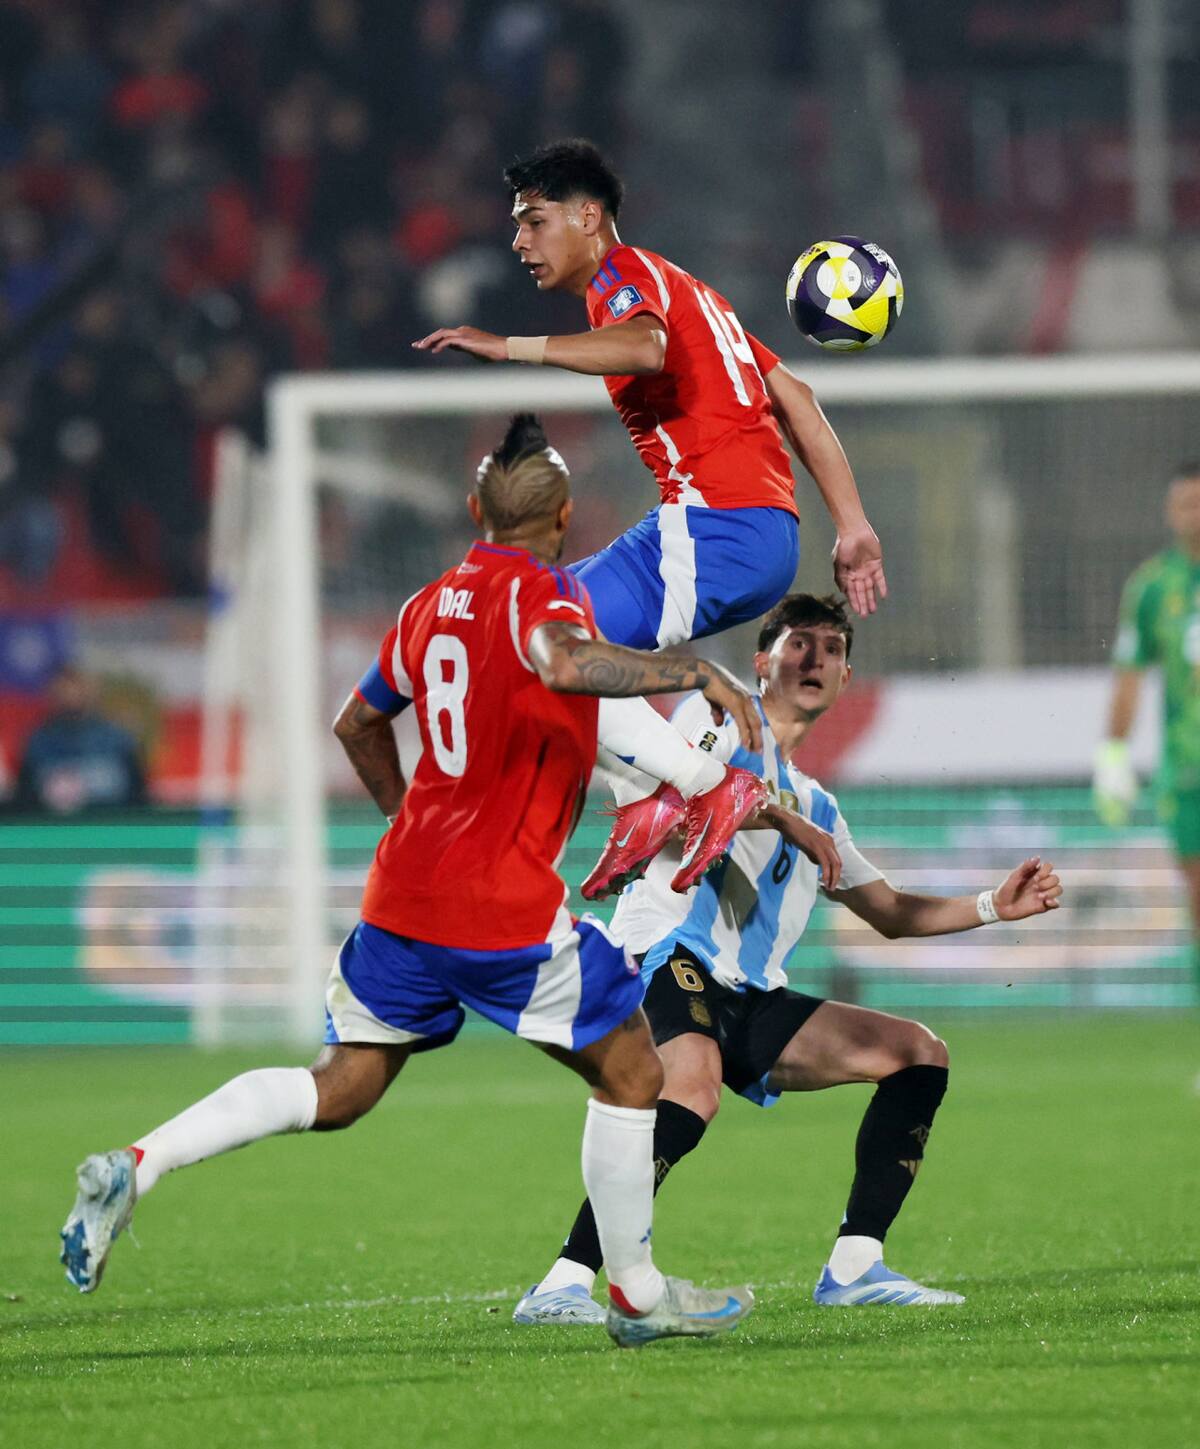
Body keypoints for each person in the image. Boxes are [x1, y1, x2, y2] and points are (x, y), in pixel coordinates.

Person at [59, 415, 762, 1349]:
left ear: (475, 511)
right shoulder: (547, 595)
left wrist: (411, 824)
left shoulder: (429, 603)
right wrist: (694, 668)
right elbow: (561, 659)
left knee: (341, 1085)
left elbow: (356, 722)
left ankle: (135, 1164)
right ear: (564, 520)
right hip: (499, 906)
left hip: (400, 899)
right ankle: (635, 1295)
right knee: (636, 1067)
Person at [512, 594, 1064, 1324]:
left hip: (751, 992)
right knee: (691, 1086)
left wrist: (994, 904)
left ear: (845, 679)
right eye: (799, 642)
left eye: (832, 649)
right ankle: (563, 1279)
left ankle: (856, 1263)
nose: (816, 657)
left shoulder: (822, 806)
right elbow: (687, 796)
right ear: (761, 661)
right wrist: (784, 819)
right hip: (669, 950)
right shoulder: (712, 721)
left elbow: (891, 911)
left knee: (917, 1054)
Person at [413, 138, 887, 900]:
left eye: (533, 221)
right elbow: (794, 396)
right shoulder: (693, 290)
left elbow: (644, 346)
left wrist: (509, 350)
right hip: (756, 531)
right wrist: (853, 525)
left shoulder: (623, 279)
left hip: (717, 529)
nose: (519, 242)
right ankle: (646, 802)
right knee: (539, 628)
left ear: (588, 215)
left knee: (537, 646)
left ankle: (705, 787)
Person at [1094, 461, 1200, 999]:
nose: (1194, 515)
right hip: (1188, 772)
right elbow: (1130, 676)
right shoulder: (1155, 586)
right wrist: (1114, 755)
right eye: (1185, 504)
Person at [14, 663, 147, 813]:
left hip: (109, 826)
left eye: (78, 689)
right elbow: (24, 799)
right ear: (52, 694)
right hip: (54, 829)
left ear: (92, 692)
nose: (71, 696)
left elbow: (139, 797)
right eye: (64, 690)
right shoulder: (38, 742)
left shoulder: (118, 739)